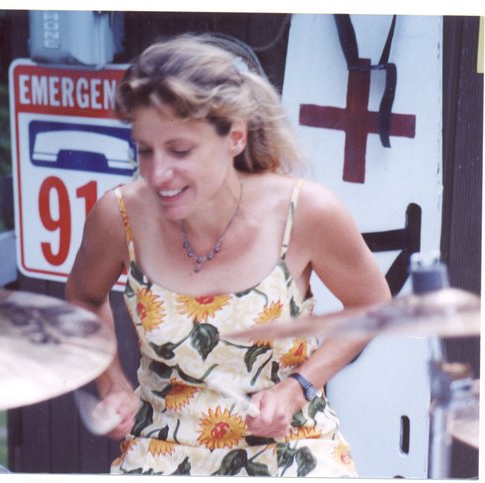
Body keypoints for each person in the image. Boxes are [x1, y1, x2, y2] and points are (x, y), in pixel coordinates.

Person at [65, 33, 391, 477]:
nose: (158, 173)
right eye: (144, 150)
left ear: (234, 138)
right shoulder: (118, 215)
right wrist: (113, 384)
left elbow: (373, 305)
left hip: (289, 445)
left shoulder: (306, 212)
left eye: (180, 150)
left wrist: (297, 388)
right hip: (161, 443)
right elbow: (83, 297)